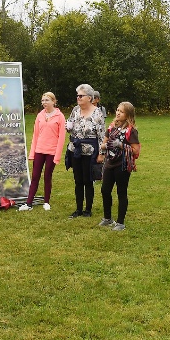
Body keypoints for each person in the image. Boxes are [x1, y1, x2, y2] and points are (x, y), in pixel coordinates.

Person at [20, 92, 67, 212]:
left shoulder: (60, 116)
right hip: (39, 150)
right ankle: (28, 203)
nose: (44, 103)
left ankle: (46, 202)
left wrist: (57, 156)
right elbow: (35, 135)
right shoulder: (40, 116)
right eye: (43, 100)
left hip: (52, 151)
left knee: (47, 176)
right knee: (35, 176)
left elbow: (61, 138)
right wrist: (32, 153)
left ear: (53, 101)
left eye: (47, 100)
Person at [99, 102, 141, 231]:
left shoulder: (131, 131)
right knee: (105, 190)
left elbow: (136, 150)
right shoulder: (111, 127)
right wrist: (104, 148)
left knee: (121, 192)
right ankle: (107, 218)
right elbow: (103, 143)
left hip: (123, 164)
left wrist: (121, 145)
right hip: (109, 163)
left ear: (128, 115)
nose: (117, 113)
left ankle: (120, 222)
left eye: (121, 111)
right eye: (117, 110)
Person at [64, 83, 105, 218]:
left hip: (90, 150)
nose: (78, 98)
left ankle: (88, 209)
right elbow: (69, 124)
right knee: (78, 180)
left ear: (89, 97)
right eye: (77, 96)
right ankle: (78, 209)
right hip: (75, 149)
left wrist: (101, 154)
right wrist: (68, 126)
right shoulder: (75, 110)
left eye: (81, 96)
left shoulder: (97, 113)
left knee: (88, 180)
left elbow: (101, 135)